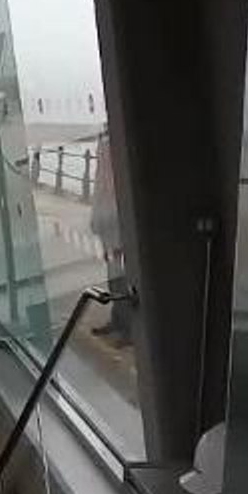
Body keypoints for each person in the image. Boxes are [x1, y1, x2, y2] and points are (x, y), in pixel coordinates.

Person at [89, 131, 131, 345]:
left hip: (119, 219)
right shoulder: (104, 142)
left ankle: (130, 328)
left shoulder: (122, 145)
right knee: (113, 275)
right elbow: (99, 184)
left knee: (125, 275)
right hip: (107, 217)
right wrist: (95, 216)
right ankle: (118, 319)